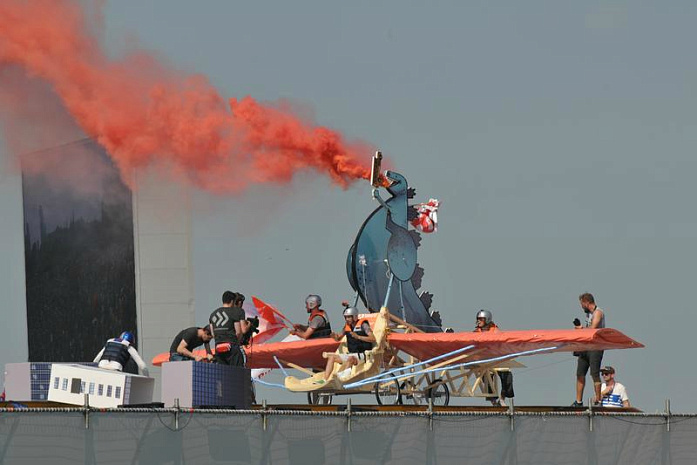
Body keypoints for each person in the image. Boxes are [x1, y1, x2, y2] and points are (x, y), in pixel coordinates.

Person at [316, 307, 375, 383]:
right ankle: (324, 380)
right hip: (351, 354)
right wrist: (334, 336)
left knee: (350, 359)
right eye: (346, 317)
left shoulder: (364, 325)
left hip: (363, 355)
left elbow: (373, 338)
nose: (347, 319)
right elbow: (338, 338)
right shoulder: (346, 327)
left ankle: (343, 379)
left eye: (349, 317)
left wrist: (358, 337)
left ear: (354, 316)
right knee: (331, 357)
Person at [572, 292, 606, 407]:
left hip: (596, 347)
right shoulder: (588, 315)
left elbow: (593, 328)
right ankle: (578, 401)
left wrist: (582, 329)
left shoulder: (598, 312)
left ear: (586, 302)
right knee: (580, 373)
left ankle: (598, 400)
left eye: (582, 304)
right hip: (585, 347)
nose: (582, 307)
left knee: (594, 374)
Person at [474, 310, 514, 406]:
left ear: (487, 320)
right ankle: (493, 401)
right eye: (478, 319)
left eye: (481, 319)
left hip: (497, 358)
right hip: (484, 360)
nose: (478, 321)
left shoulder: (496, 331)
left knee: (506, 373)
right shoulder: (476, 332)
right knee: (486, 374)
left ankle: (502, 397)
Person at [209, 291, 249, 366]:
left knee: (223, 373)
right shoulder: (235, 312)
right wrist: (238, 341)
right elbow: (239, 332)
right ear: (232, 301)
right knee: (237, 372)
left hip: (218, 347)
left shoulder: (213, 314)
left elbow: (213, 334)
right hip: (232, 347)